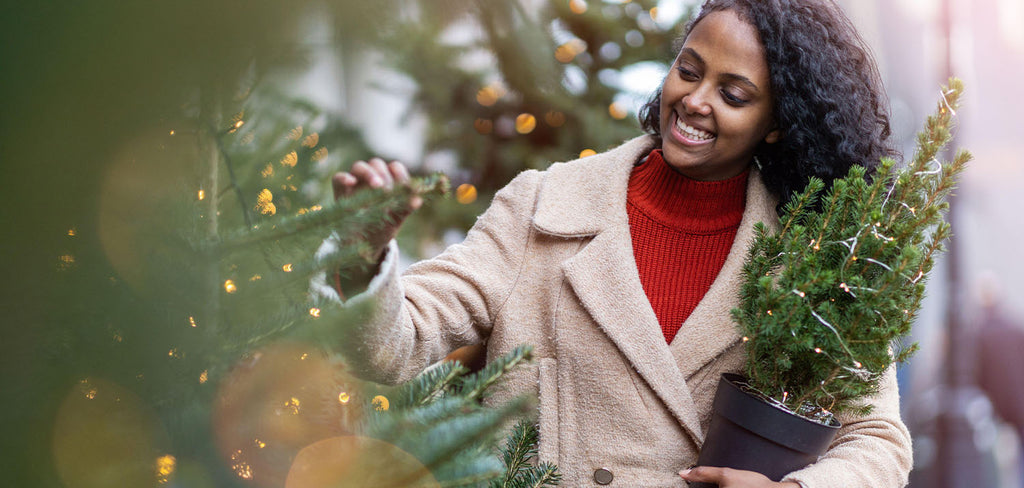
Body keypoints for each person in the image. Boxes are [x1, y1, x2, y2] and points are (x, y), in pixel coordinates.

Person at [315, 0, 913, 486]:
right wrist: (363, 258)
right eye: (689, 69)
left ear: (778, 122)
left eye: (734, 94)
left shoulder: (812, 255)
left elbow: (878, 439)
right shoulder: (542, 208)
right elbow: (394, 349)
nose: (696, 100)